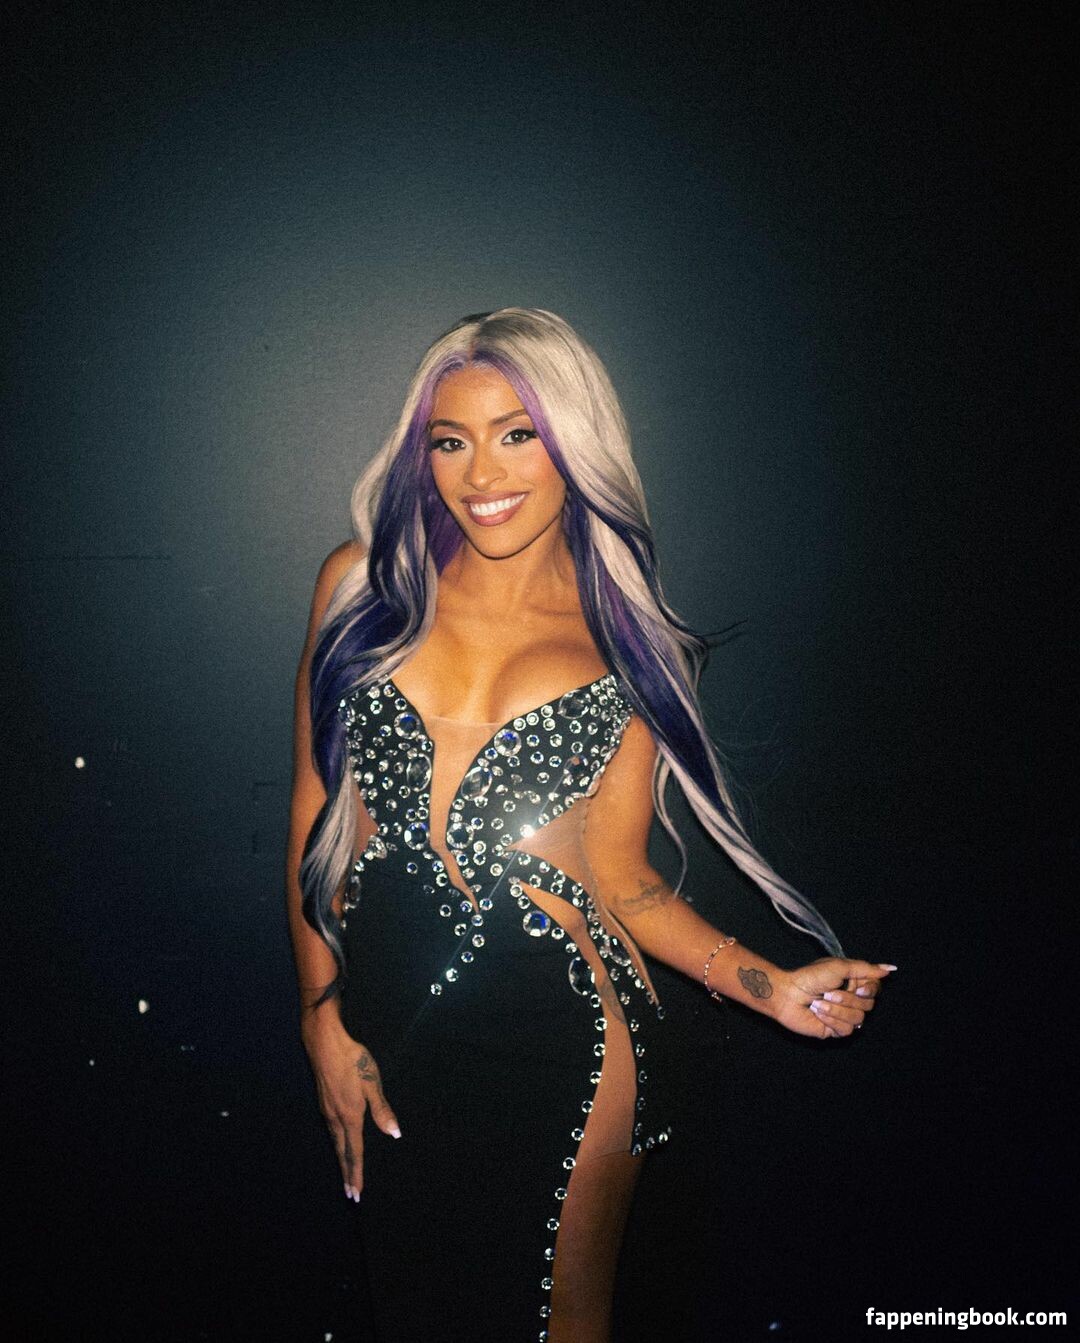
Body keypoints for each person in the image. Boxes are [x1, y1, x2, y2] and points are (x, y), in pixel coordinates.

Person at [285, 308, 894, 1343]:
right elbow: (315, 812)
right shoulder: (358, 586)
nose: (482, 473)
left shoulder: (626, 639)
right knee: (415, 1303)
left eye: (518, 433)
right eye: (451, 440)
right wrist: (320, 1014)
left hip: (568, 1038)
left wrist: (774, 987)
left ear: (573, 441)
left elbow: (625, 880)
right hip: (394, 1029)